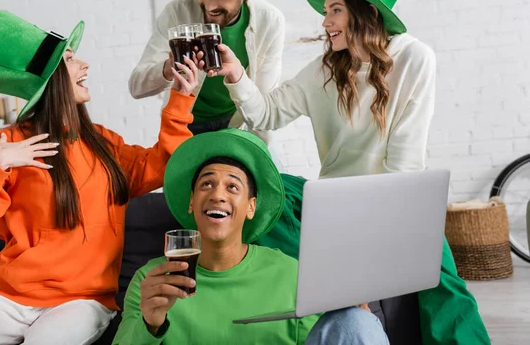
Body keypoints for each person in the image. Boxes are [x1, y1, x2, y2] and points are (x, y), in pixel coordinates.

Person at [200, 0, 491, 344]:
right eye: (326, 11)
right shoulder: (324, 68)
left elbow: (404, 163)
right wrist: (235, 75)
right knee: (271, 186)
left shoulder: (415, 58)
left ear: (363, 11)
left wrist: (370, 242)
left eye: (334, 9)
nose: (325, 21)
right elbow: (267, 114)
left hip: (396, 199)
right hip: (333, 198)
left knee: (442, 279)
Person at [0, 10, 198, 345]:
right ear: (51, 78)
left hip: (81, 301)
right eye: (70, 59)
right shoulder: (7, 145)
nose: (84, 65)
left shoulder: (103, 144)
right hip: (7, 299)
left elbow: (168, 166)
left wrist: (181, 99)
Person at [112, 129, 389, 344]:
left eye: (232, 187)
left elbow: (339, 335)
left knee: (356, 322)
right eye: (206, 184)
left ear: (251, 207)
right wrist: (149, 324)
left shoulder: (292, 274)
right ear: (191, 202)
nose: (217, 194)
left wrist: (358, 312)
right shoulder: (150, 281)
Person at [128, 0, 284, 147]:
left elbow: (264, 109)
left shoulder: (270, 22)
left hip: (235, 124)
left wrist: (260, 156)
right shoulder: (177, 11)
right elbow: (136, 87)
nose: (210, 6)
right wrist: (168, 68)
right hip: (184, 124)